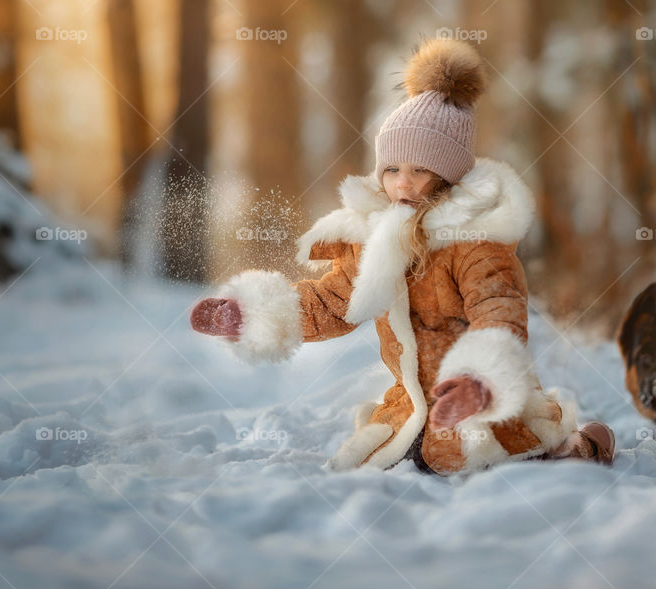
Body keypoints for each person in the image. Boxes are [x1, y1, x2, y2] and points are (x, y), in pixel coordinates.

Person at [190, 38, 616, 475]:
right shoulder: (377, 241)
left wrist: (480, 381)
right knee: (396, 458)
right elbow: (333, 301)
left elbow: (499, 312)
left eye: (420, 170)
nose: (404, 185)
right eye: (392, 170)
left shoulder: (474, 245)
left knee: (514, 456)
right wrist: (254, 316)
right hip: (411, 405)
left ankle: (581, 446)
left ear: (448, 176)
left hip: (481, 399)